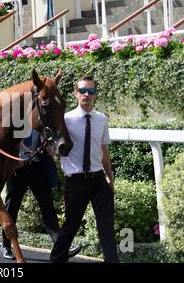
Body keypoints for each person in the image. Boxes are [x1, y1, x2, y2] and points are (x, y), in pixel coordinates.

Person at [50, 75, 119, 263]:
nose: (86, 95)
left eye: (91, 91)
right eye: (82, 91)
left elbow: (103, 149)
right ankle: (57, 258)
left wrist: (109, 177)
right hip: (76, 182)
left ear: (96, 95)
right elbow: (54, 147)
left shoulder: (101, 119)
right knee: (71, 226)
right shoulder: (65, 120)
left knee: (106, 228)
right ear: (75, 94)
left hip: (98, 181)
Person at [0, 129, 81, 260]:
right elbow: (4, 143)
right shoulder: (13, 120)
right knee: (11, 209)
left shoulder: (39, 122)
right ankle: (6, 246)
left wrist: (51, 146)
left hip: (38, 168)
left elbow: (51, 141)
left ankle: (60, 247)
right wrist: (13, 160)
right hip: (17, 171)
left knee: (48, 208)